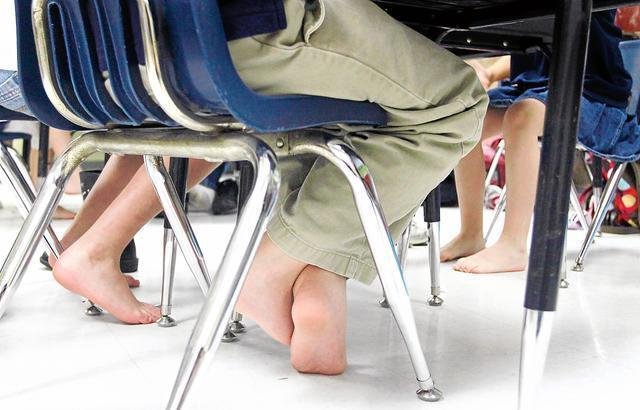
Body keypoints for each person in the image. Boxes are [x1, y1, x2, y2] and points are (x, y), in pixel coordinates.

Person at [5, 0, 487, 375]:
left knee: (335, 105)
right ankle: (276, 266)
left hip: (97, 46)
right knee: (452, 103)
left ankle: (317, 276)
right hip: (231, 30)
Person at [442, 10, 638, 274]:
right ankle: (471, 233)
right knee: (466, 118)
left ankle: (514, 245)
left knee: (522, 115)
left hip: (593, 92)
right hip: (531, 86)